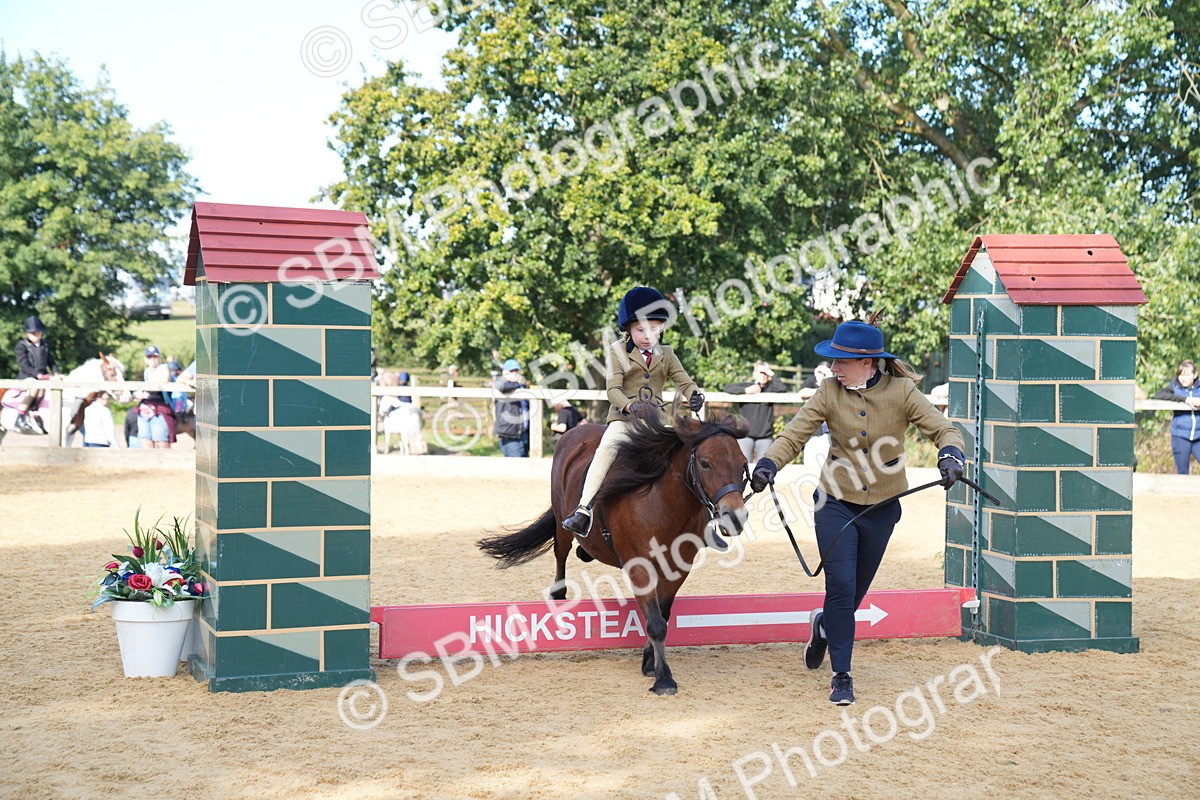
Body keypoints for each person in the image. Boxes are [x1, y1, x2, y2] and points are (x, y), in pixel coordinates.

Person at [749, 319, 965, 706]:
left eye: (840, 362)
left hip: (882, 509)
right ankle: (842, 675)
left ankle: (824, 627)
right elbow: (794, 434)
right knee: (842, 588)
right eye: (832, 362)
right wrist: (769, 464)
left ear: (868, 362)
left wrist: (950, 455)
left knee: (852, 596)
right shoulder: (829, 391)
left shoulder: (902, 391)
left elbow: (944, 430)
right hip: (833, 502)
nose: (833, 368)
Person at [562, 286, 706, 538]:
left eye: (654, 329)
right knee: (606, 450)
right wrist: (630, 405)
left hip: (656, 424)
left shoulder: (668, 354)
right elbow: (612, 389)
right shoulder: (618, 352)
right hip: (624, 420)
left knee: (688, 458)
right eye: (641, 330)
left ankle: (702, 522)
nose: (648, 336)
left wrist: (695, 394)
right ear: (628, 328)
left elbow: (684, 381)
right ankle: (584, 510)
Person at [723, 361, 786, 462]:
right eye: (761, 372)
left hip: (765, 436)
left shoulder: (771, 388)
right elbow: (727, 388)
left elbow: (782, 388)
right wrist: (747, 391)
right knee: (743, 466)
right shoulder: (747, 385)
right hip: (746, 435)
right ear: (754, 374)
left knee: (764, 468)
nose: (764, 375)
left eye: (766, 373)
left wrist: (771, 373)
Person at [12, 315, 58, 434]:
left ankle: (36, 413)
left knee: (45, 391)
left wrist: (55, 372)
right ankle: (20, 417)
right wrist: (37, 374)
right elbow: (23, 364)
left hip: (41, 377)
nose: (36, 335)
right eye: (32, 333)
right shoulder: (21, 346)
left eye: (38, 333)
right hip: (27, 376)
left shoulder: (45, 345)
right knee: (35, 389)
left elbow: (51, 361)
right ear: (27, 334)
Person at [1154, 359, 1200, 474]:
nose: (1183, 378)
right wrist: (1185, 399)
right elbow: (1158, 395)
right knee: (1183, 472)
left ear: (1195, 375)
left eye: (1187, 375)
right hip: (1180, 436)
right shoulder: (1174, 387)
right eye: (1180, 375)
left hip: (1199, 437)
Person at [135, 345, 175, 449]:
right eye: (149, 357)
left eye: (155, 356)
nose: (152, 359)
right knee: (145, 438)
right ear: (146, 359)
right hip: (145, 407)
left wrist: (146, 390)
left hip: (160, 407)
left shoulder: (164, 368)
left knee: (161, 439)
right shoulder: (147, 371)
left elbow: (164, 381)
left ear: (159, 357)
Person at [494, 359, 531, 457]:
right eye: (511, 371)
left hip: (523, 433)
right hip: (510, 434)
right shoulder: (502, 383)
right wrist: (518, 386)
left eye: (516, 371)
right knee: (516, 467)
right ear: (505, 373)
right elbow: (501, 386)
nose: (514, 374)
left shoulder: (520, 387)